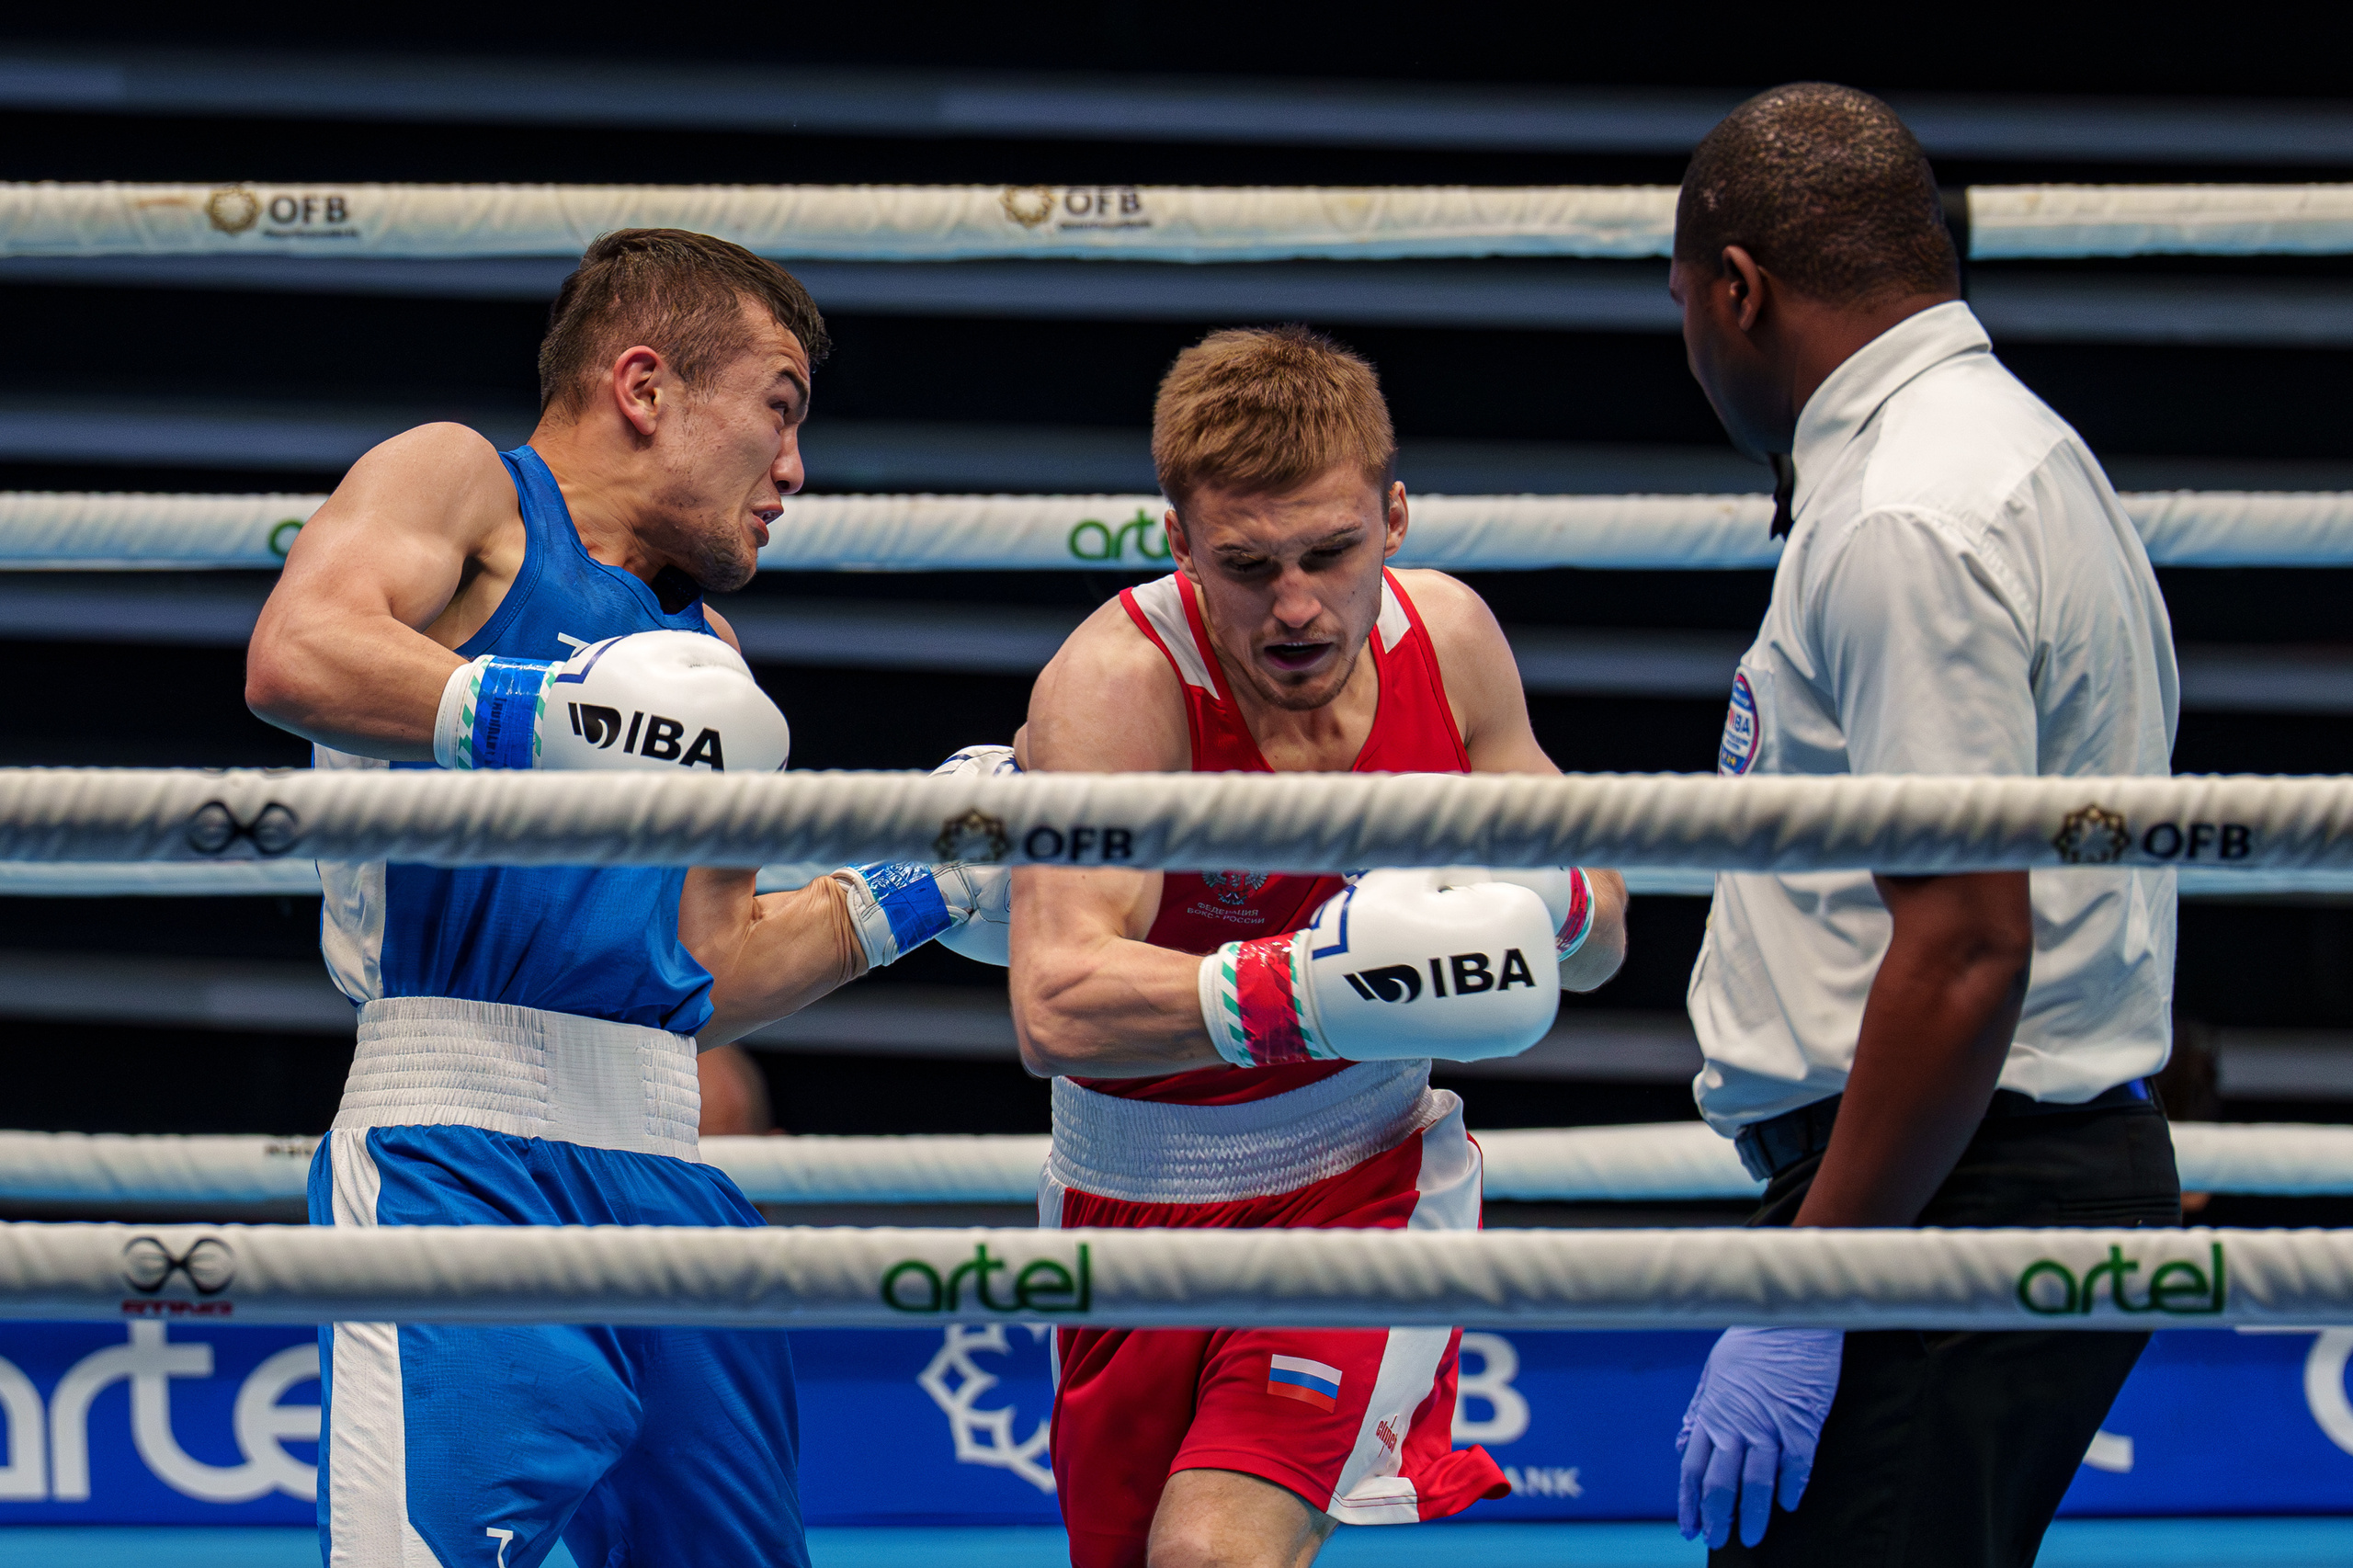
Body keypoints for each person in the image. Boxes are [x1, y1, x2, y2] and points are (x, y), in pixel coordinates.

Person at [246, 228, 1000, 1568]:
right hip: (456, 1156)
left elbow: (706, 969)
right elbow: (298, 648)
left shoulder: (701, 659)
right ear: (644, 387)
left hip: (669, 1177)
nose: (795, 468)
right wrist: (548, 714)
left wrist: (928, 882)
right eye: (777, 406)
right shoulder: (469, 489)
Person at [1008, 325, 1631, 1568]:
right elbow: (1058, 1006)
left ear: (1394, 518)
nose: (1296, 605)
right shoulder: (1115, 686)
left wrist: (1545, 898)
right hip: (1126, 1198)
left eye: (1331, 553)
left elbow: (1604, 933)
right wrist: (1308, 988)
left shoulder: (1446, 642)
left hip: (1364, 1181)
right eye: (1249, 565)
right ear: (1178, 544)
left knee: (1215, 1552)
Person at [1667, 85, 2182, 1566]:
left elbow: (1966, 945)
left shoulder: (1906, 510)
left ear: (1741, 288)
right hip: (1954, 1178)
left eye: (1690, 304)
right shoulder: (2015, 451)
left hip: (1945, 1189)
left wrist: (1813, 1288)